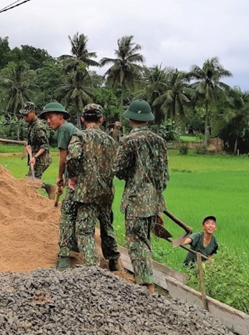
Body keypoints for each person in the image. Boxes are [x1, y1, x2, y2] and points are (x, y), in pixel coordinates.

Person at [114, 100, 169, 292]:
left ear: (130, 118)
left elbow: (118, 170)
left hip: (136, 201)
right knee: (145, 241)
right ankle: (148, 285)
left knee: (136, 244)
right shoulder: (159, 141)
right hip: (154, 202)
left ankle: (145, 288)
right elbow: (164, 177)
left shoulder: (129, 141)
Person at [65, 104, 121, 271]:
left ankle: (92, 266)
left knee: (84, 229)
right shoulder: (111, 141)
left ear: (82, 119)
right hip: (106, 191)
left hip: (87, 191)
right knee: (106, 224)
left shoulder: (79, 136)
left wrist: (73, 177)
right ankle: (113, 260)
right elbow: (116, 165)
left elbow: (73, 158)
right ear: (101, 119)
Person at [38, 102, 78, 270]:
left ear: (61, 116)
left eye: (51, 116)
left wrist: (59, 177)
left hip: (74, 179)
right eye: (46, 118)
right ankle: (76, 244)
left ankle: (64, 259)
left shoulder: (63, 130)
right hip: (84, 178)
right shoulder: (73, 128)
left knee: (67, 214)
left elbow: (63, 157)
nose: (48, 121)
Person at [19, 101, 53, 195]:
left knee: (31, 181)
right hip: (34, 156)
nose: (24, 117)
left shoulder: (38, 127)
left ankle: (48, 189)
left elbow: (45, 145)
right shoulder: (30, 124)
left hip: (42, 159)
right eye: (23, 115)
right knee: (30, 179)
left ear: (33, 112)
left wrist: (35, 157)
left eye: (26, 115)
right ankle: (48, 188)